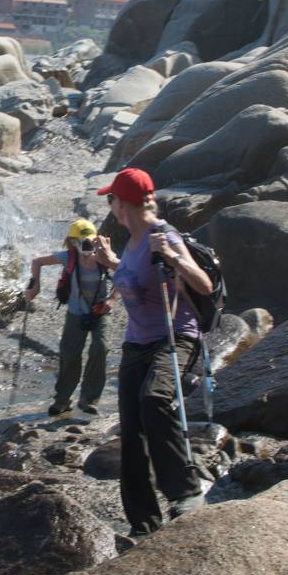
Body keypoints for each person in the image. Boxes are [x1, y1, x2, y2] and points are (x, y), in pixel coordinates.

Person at [93, 167, 212, 537]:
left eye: (111, 198)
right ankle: (143, 522)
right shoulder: (129, 242)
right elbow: (133, 281)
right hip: (136, 343)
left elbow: (204, 287)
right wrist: (110, 264)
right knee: (131, 435)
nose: (110, 205)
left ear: (122, 203)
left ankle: (185, 491)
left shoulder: (163, 234)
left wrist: (174, 259)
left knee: (156, 399)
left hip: (175, 336)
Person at [25, 218, 114, 416]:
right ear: (73, 242)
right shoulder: (68, 256)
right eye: (82, 241)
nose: (87, 245)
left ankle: (89, 399)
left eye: (90, 240)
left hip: (101, 311)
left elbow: (125, 274)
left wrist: (113, 299)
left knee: (101, 348)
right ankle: (62, 400)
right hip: (76, 311)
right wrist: (35, 285)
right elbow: (37, 261)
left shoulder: (104, 256)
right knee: (70, 354)